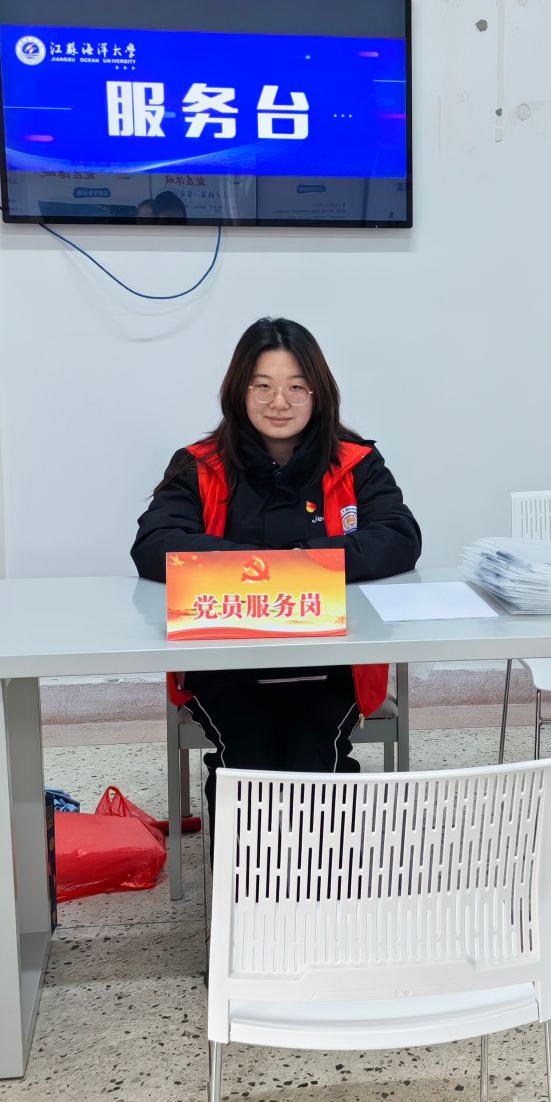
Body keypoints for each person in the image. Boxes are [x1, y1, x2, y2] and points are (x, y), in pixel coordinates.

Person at [132, 318, 421, 812]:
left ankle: (324, 862)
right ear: (238, 392)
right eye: (262, 387)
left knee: (314, 757)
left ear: (319, 393)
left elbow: (398, 537)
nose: (279, 403)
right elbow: (155, 543)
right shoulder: (198, 463)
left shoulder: (356, 461)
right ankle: (243, 865)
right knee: (249, 760)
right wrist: (280, 566)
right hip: (224, 659)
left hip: (332, 658)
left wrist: (293, 561)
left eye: (296, 387)